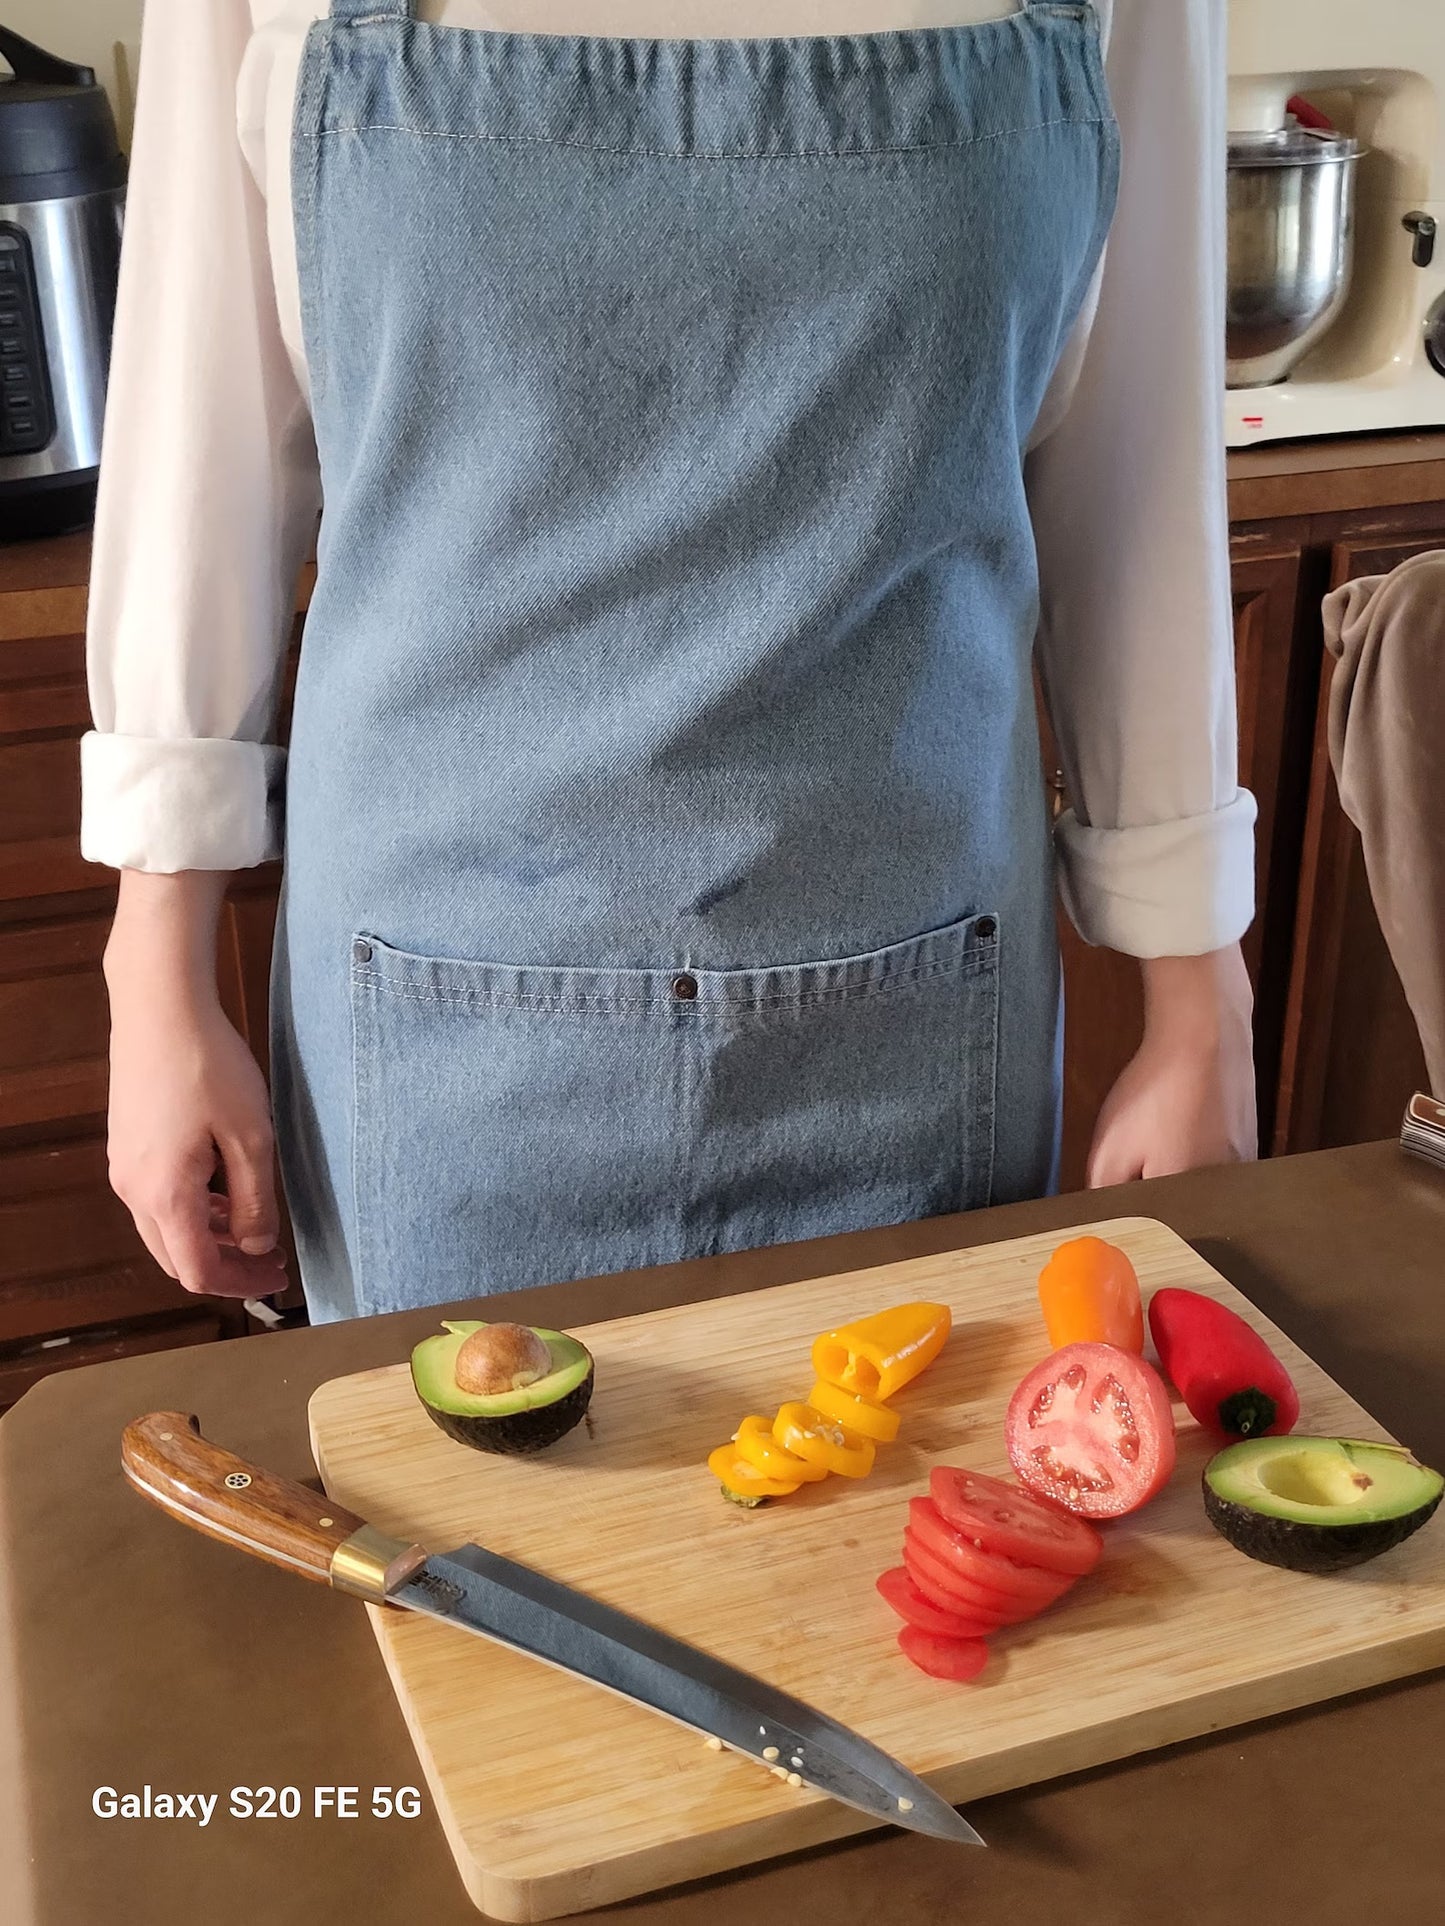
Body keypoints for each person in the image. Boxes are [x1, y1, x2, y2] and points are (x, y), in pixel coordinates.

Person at [83, 0, 1258, 1325]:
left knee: (909, 1510)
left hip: (917, 1004)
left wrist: (1195, 984)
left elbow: (1138, 466)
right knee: (438, 1519)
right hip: (432, 1014)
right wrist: (154, 969)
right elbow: (204, 429)